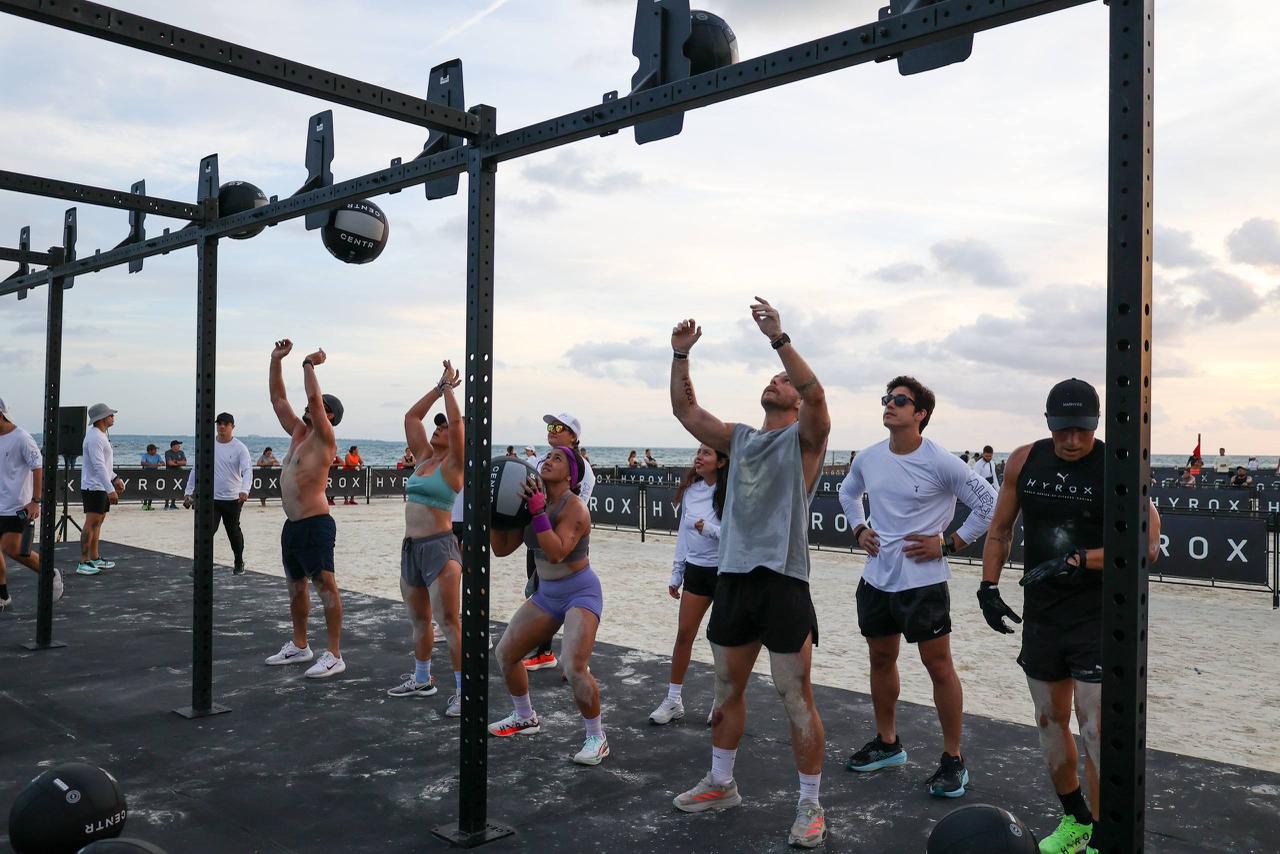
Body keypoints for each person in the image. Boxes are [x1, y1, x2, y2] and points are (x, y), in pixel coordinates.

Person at [668, 298, 831, 850]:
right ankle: (721, 783)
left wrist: (779, 339)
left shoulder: (805, 439)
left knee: (794, 694)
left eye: (784, 381)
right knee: (725, 687)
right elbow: (687, 412)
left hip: (783, 579)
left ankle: (810, 804)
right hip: (734, 578)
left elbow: (816, 395)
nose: (776, 381)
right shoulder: (739, 438)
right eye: (773, 377)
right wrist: (680, 355)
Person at [977, 378, 1161, 854]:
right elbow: (1000, 530)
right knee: (1048, 720)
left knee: (1097, 730)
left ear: (1096, 425)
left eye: (1082, 430)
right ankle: (1076, 819)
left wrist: (1079, 559)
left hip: (1100, 617)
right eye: (1063, 430)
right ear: (1048, 423)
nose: (1073, 440)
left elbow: (1148, 545)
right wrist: (988, 586)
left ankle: (1103, 832)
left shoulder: (1118, 465)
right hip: (1044, 615)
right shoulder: (1025, 459)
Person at [838, 377, 997, 799]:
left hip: (923, 583)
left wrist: (949, 544)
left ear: (920, 414)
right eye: (887, 398)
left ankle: (953, 760)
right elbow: (848, 493)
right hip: (877, 578)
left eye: (900, 400)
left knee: (938, 667)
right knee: (880, 659)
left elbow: (990, 504)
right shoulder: (870, 457)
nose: (889, 405)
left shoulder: (941, 461)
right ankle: (888, 743)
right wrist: (859, 529)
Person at [488, 445, 608, 766]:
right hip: (547, 594)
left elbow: (556, 553)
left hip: (580, 592)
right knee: (505, 653)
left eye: (558, 458)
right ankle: (524, 716)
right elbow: (502, 549)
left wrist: (539, 513)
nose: (548, 460)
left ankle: (596, 738)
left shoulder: (575, 509)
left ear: (571, 475)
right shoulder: (531, 502)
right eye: (548, 456)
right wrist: (493, 515)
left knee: (574, 667)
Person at [386, 362, 466, 716]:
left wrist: (449, 391)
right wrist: (437, 387)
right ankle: (422, 679)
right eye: (438, 425)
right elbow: (411, 417)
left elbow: (459, 426)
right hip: (411, 548)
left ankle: (465, 691)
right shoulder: (422, 459)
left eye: (444, 427)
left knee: (449, 623)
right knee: (419, 621)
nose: (439, 429)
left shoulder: (454, 465)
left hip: (439, 548)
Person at [263, 339, 347, 678]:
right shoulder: (299, 431)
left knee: (325, 587)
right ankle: (300, 645)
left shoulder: (324, 438)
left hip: (315, 524)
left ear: (329, 416)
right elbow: (278, 400)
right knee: (296, 587)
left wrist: (308, 364)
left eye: (321, 406)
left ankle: (335, 655)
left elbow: (313, 398)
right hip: (293, 526)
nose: (312, 406)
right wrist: (276, 360)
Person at [649, 443, 728, 726]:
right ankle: (673, 700)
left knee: (721, 641)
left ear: (721, 462)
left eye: (707, 453)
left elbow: (738, 535)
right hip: (695, 571)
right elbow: (683, 535)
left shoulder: (731, 492)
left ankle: (721, 703)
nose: (699, 457)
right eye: (698, 452)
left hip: (725, 572)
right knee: (684, 634)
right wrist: (677, 573)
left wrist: (709, 529)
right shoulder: (691, 492)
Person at [522, 413, 597, 670]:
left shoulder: (582, 467)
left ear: (573, 437)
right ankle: (545, 652)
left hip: (565, 540)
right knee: (540, 592)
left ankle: (575, 659)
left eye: (558, 428)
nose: (551, 431)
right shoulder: (542, 461)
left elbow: (575, 508)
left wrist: (549, 522)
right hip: (540, 533)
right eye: (550, 427)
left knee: (571, 599)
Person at [0, 398, 64, 610]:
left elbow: (38, 468)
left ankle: (50, 572)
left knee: (13, 549)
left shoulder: (22, 438)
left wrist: (36, 501)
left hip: (17, 506)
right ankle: (3, 596)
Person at [183, 412, 253, 574]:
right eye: (219, 423)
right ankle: (200, 565)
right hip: (211, 498)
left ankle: (239, 561)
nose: (221, 427)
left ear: (232, 427)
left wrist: (245, 489)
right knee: (206, 531)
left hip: (233, 498)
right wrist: (188, 491)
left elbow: (247, 470)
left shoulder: (240, 448)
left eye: (225, 424)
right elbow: (196, 469)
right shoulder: (207, 445)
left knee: (233, 531)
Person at [78, 403, 124, 576]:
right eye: (110, 415)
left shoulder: (100, 436)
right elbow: (98, 466)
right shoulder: (95, 438)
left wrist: (115, 478)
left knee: (98, 521)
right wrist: (110, 489)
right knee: (92, 522)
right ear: (102, 418)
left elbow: (105, 466)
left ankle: (95, 557)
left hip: (100, 485)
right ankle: (83, 561)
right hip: (93, 486)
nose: (113, 417)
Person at [140, 443, 164, 510]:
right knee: (146, 489)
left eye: (156, 449)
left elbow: (163, 463)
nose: (156, 451)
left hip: (155, 473)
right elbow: (142, 463)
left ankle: (149, 505)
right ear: (149, 451)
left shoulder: (158, 456)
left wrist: (160, 464)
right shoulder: (145, 455)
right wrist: (153, 465)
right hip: (146, 473)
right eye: (154, 450)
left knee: (152, 489)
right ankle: (144, 504)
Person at [164, 439, 187, 509]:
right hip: (169, 472)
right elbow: (169, 463)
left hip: (178, 472)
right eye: (178, 445)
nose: (179, 446)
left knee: (176, 488)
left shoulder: (181, 452)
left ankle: (173, 504)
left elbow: (185, 463)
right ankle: (166, 504)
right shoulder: (168, 452)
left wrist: (176, 462)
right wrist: (179, 463)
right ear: (173, 446)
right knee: (168, 488)